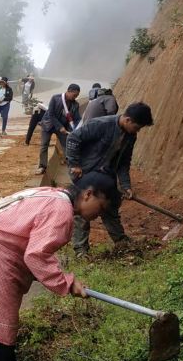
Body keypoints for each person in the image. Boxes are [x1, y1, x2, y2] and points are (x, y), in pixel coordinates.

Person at [0, 172, 116, 361]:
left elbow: (36, 247)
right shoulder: (61, 211)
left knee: (2, 313)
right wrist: (66, 282)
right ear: (88, 195)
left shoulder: (58, 196)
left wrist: (64, 279)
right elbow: (36, 255)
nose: (98, 215)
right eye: (100, 208)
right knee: (4, 315)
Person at [66, 102, 154, 257]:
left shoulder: (130, 136)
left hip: (106, 177)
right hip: (86, 173)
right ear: (128, 120)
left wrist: (126, 185)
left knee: (110, 207)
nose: (137, 131)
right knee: (83, 210)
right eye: (137, 127)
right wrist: (74, 164)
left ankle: (122, 243)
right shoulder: (101, 124)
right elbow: (73, 138)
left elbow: (124, 162)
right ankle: (81, 250)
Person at [36, 83, 81, 175]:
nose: (75, 97)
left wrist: (78, 128)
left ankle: (71, 166)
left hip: (63, 127)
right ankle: (42, 166)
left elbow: (77, 119)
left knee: (66, 146)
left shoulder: (75, 104)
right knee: (44, 145)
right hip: (48, 125)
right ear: (69, 91)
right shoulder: (55, 98)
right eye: (74, 95)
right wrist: (59, 127)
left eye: (77, 96)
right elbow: (51, 114)